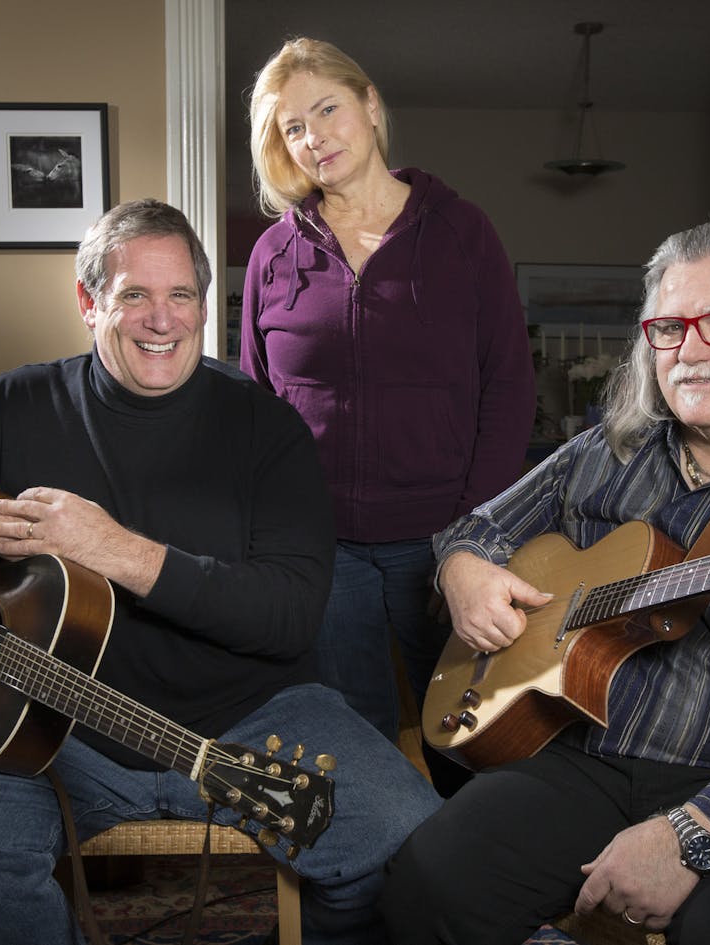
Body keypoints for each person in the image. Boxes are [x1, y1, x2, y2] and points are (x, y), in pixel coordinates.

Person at [0, 198, 440, 945]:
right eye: (135, 295)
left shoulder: (268, 429)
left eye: (181, 295)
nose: (163, 319)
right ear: (89, 303)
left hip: (255, 721)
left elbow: (288, 615)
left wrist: (112, 547)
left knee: (411, 840)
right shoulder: (16, 403)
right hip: (60, 730)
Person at [380, 220, 710, 945]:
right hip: (594, 760)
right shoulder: (608, 452)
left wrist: (692, 833)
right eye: (669, 327)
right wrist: (464, 572)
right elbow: (472, 530)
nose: (692, 350)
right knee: (429, 881)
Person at [240, 38, 535, 772]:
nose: (313, 138)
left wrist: (474, 534)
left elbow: (509, 390)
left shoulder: (463, 235)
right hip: (324, 550)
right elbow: (255, 415)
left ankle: (466, 886)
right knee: (354, 756)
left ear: (370, 106)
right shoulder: (273, 256)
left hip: (446, 547)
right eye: (291, 128)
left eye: (326, 109)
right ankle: (369, 888)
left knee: (471, 748)